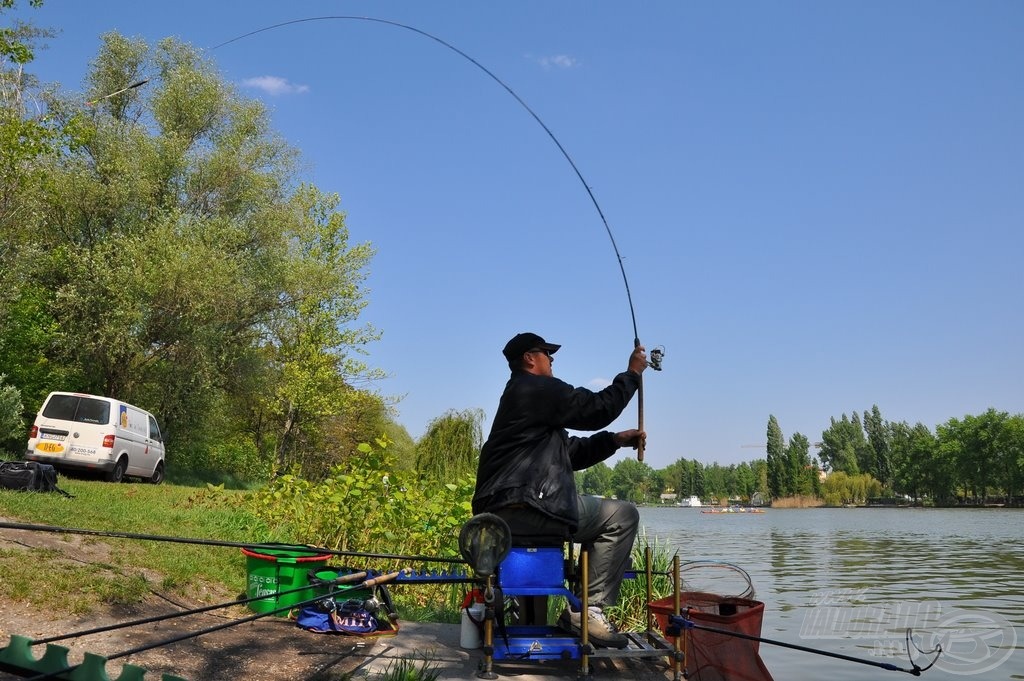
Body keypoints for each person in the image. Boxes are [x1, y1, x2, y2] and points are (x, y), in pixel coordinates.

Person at [472, 332, 647, 648]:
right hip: (528, 509)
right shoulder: (536, 388)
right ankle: (588, 611)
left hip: (505, 510)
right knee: (623, 515)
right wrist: (632, 374)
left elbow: (570, 452)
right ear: (529, 358)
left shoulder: (520, 399)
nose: (551, 359)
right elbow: (595, 409)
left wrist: (614, 441)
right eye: (546, 354)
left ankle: (567, 613)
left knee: (608, 514)